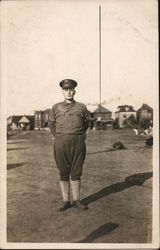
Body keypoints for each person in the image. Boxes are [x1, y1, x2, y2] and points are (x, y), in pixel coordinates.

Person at [49, 79, 89, 211]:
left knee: (77, 171)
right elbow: (51, 124)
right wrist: (57, 136)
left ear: (74, 91)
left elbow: (86, 123)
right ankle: (66, 201)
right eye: (66, 90)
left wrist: (80, 134)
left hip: (78, 141)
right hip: (61, 141)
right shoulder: (56, 107)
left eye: (71, 89)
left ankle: (77, 200)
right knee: (63, 171)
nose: (68, 92)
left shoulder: (82, 107)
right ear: (62, 92)